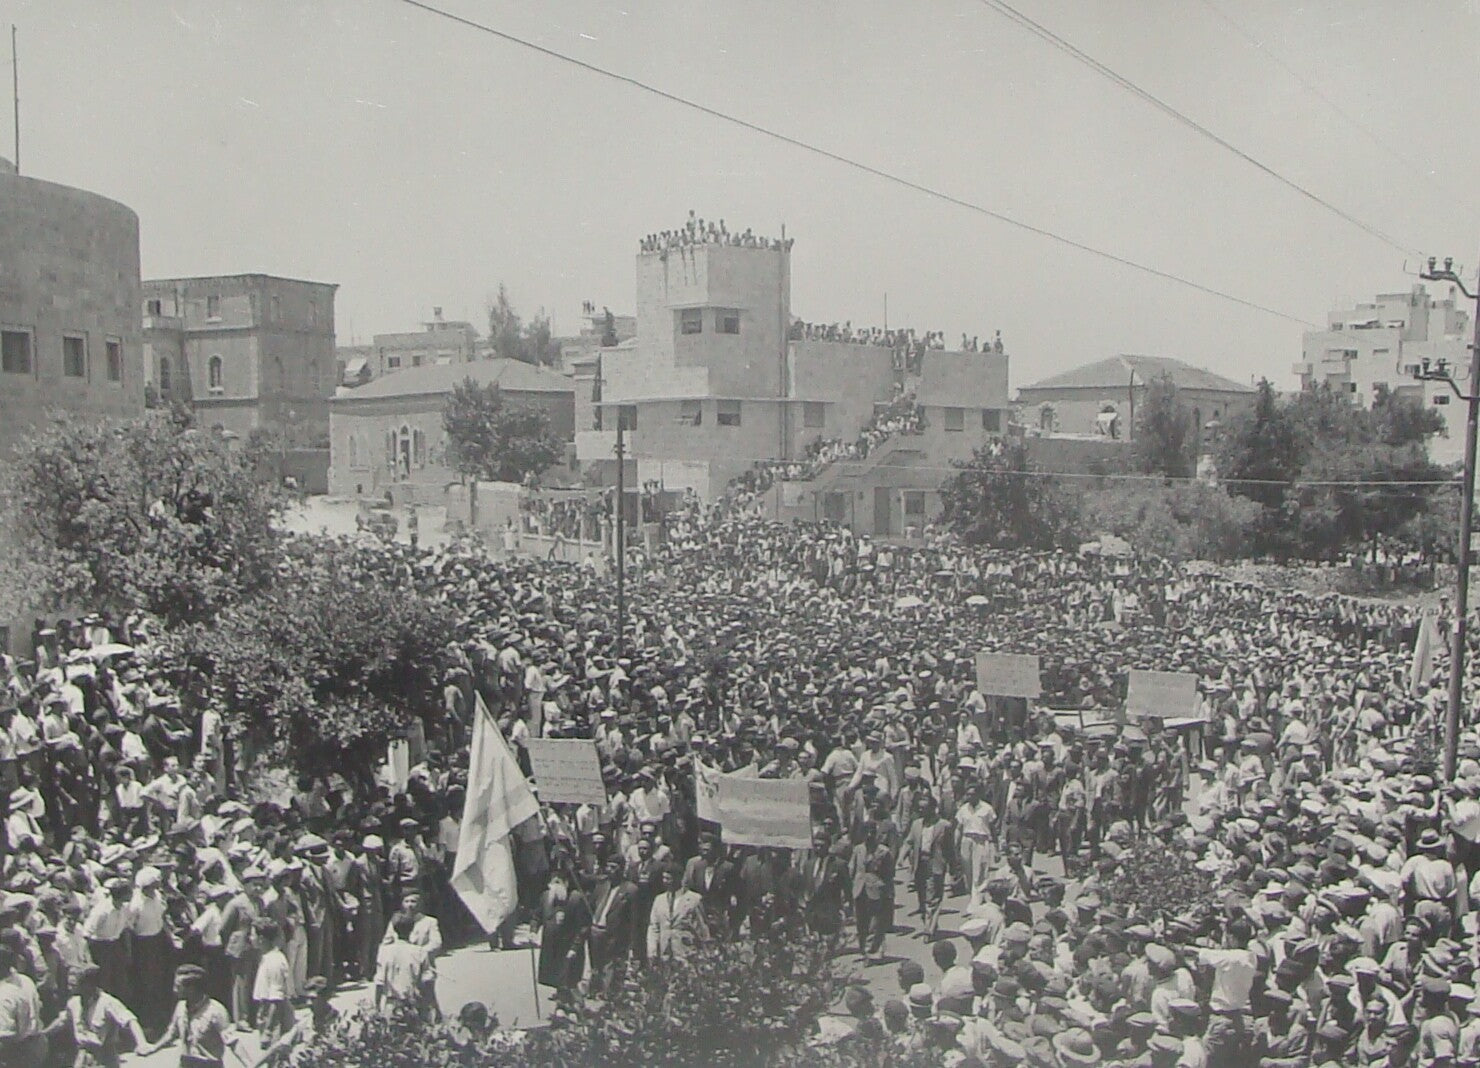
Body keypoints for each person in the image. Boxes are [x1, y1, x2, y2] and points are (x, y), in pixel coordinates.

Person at [47, 962, 145, 1068]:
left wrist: (142, 1043)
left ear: (89, 984)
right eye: (69, 985)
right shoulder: (73, 1003)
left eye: (75, 985)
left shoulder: (108, 1002)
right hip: (82, 1057)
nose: (70, 988)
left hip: (105, 1058)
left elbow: (130, 1020)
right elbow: (62, 1020)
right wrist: (43, 1034)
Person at [135, 965, 236, 1068]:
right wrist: (153, 1048)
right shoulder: (180, 1007)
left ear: (191, 989)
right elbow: (172, 1034)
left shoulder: (215, 1011)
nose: (174, 990)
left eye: (178, 986)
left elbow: (233, 1042)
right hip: (186, 1063)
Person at [374, 912, 433, 1020]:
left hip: (391, 1005)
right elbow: (427, 981)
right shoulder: (419, 952)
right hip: (413, 1003)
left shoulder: (384, 951)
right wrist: (428, 1005)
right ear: (412, 930)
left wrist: (377, 1007)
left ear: (394, 930)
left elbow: (379, 982)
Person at [0, 944, 47, 1067]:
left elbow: (5, 1037)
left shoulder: (4, 995)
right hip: (35, 1044)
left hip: (16, 1053)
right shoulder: (25, 980)